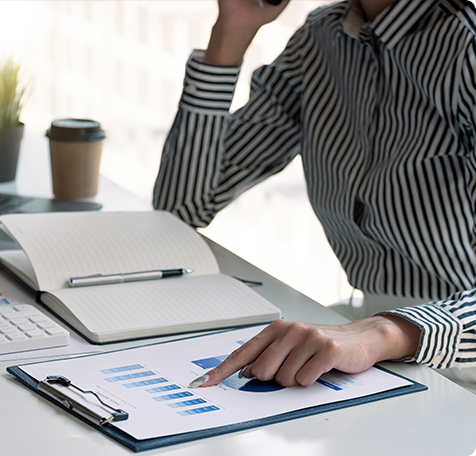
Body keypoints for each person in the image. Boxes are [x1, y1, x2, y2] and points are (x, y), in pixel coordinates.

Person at [153, 0, 476, 390]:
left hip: (455, 349)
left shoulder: (466, 44)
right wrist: (231, 33)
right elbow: (182, 206)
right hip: (378, 339)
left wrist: (387, 333)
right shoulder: (322, 36)